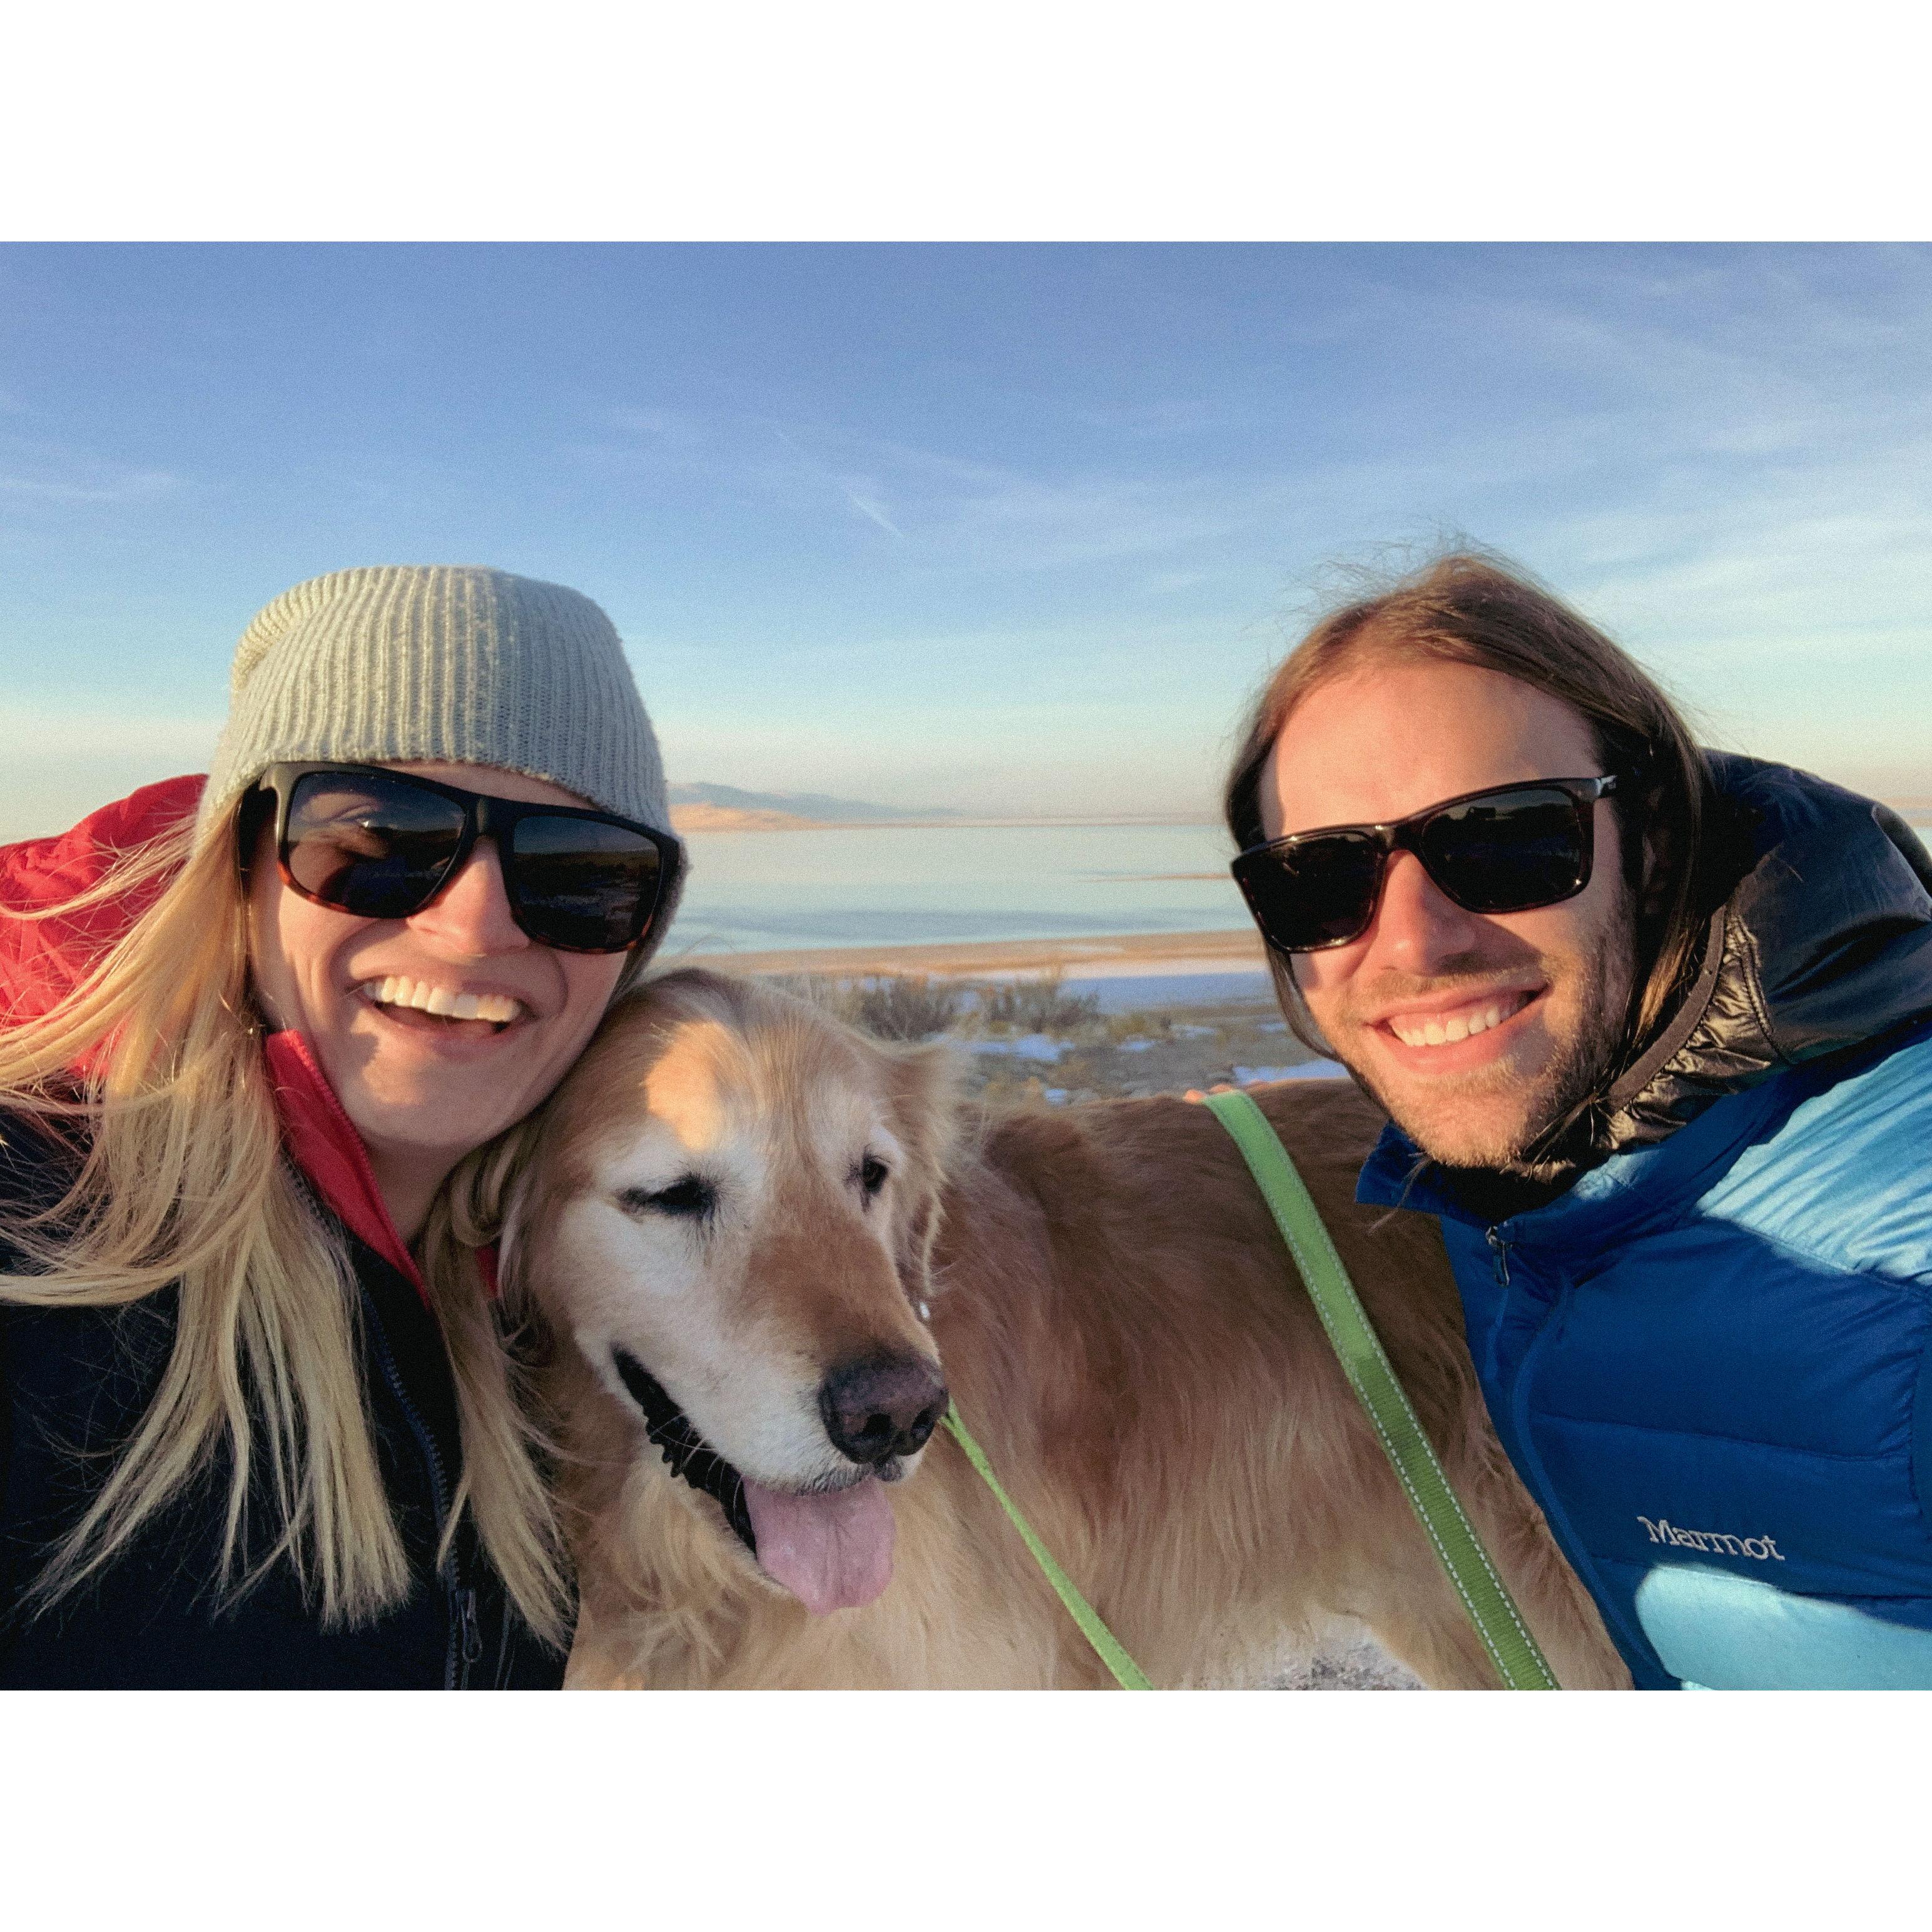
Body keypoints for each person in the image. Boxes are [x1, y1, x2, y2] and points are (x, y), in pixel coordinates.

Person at [1223, 552, 1932, 1690]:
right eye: (1319, 880)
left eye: (1506, 837)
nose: (1413, 943)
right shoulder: (1536, 1188)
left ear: (1650, 842)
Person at [0, 564, 683, 1687]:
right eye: (377, 838)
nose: (472, 929)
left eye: (581, 872)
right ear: (239, 865)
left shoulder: (556, 1304)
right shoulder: (42, 1233)